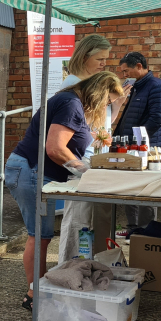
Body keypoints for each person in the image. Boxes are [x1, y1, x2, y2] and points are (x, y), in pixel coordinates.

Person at [6, 72, 124, 310]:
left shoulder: (71, 103)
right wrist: (84, 170)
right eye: (107, 101)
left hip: (34, 171)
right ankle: (34, 295)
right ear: (98, 92)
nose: (105, 106)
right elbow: (55, 149)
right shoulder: (71, 104)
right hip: (31, 171)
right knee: (38, 236)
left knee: (41, 236)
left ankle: (37, 290)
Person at [57, 36, 130, 263]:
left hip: (95, 161)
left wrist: (115, 107)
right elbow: (74, 131)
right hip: (79, 163)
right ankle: (72, 265)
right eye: (99, 59)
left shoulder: (94, 82)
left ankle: (97, 263)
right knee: (79, 219)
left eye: (105, 60)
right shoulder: (72, 85)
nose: (103, 64)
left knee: (98, 218)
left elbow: (101, 127)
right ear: (85, 56)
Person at [114, 51, 161, 235]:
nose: (124, 75)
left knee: (145, 188)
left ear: (139, 66)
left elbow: (157, 117)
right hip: (130, 147)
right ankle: (132, 228)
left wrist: (139, 140)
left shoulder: (156, 86)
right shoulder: (135, 87)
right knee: (130, 186)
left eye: (126, 71)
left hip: (147, 148)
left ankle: (145, 230)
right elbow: (128, 116)